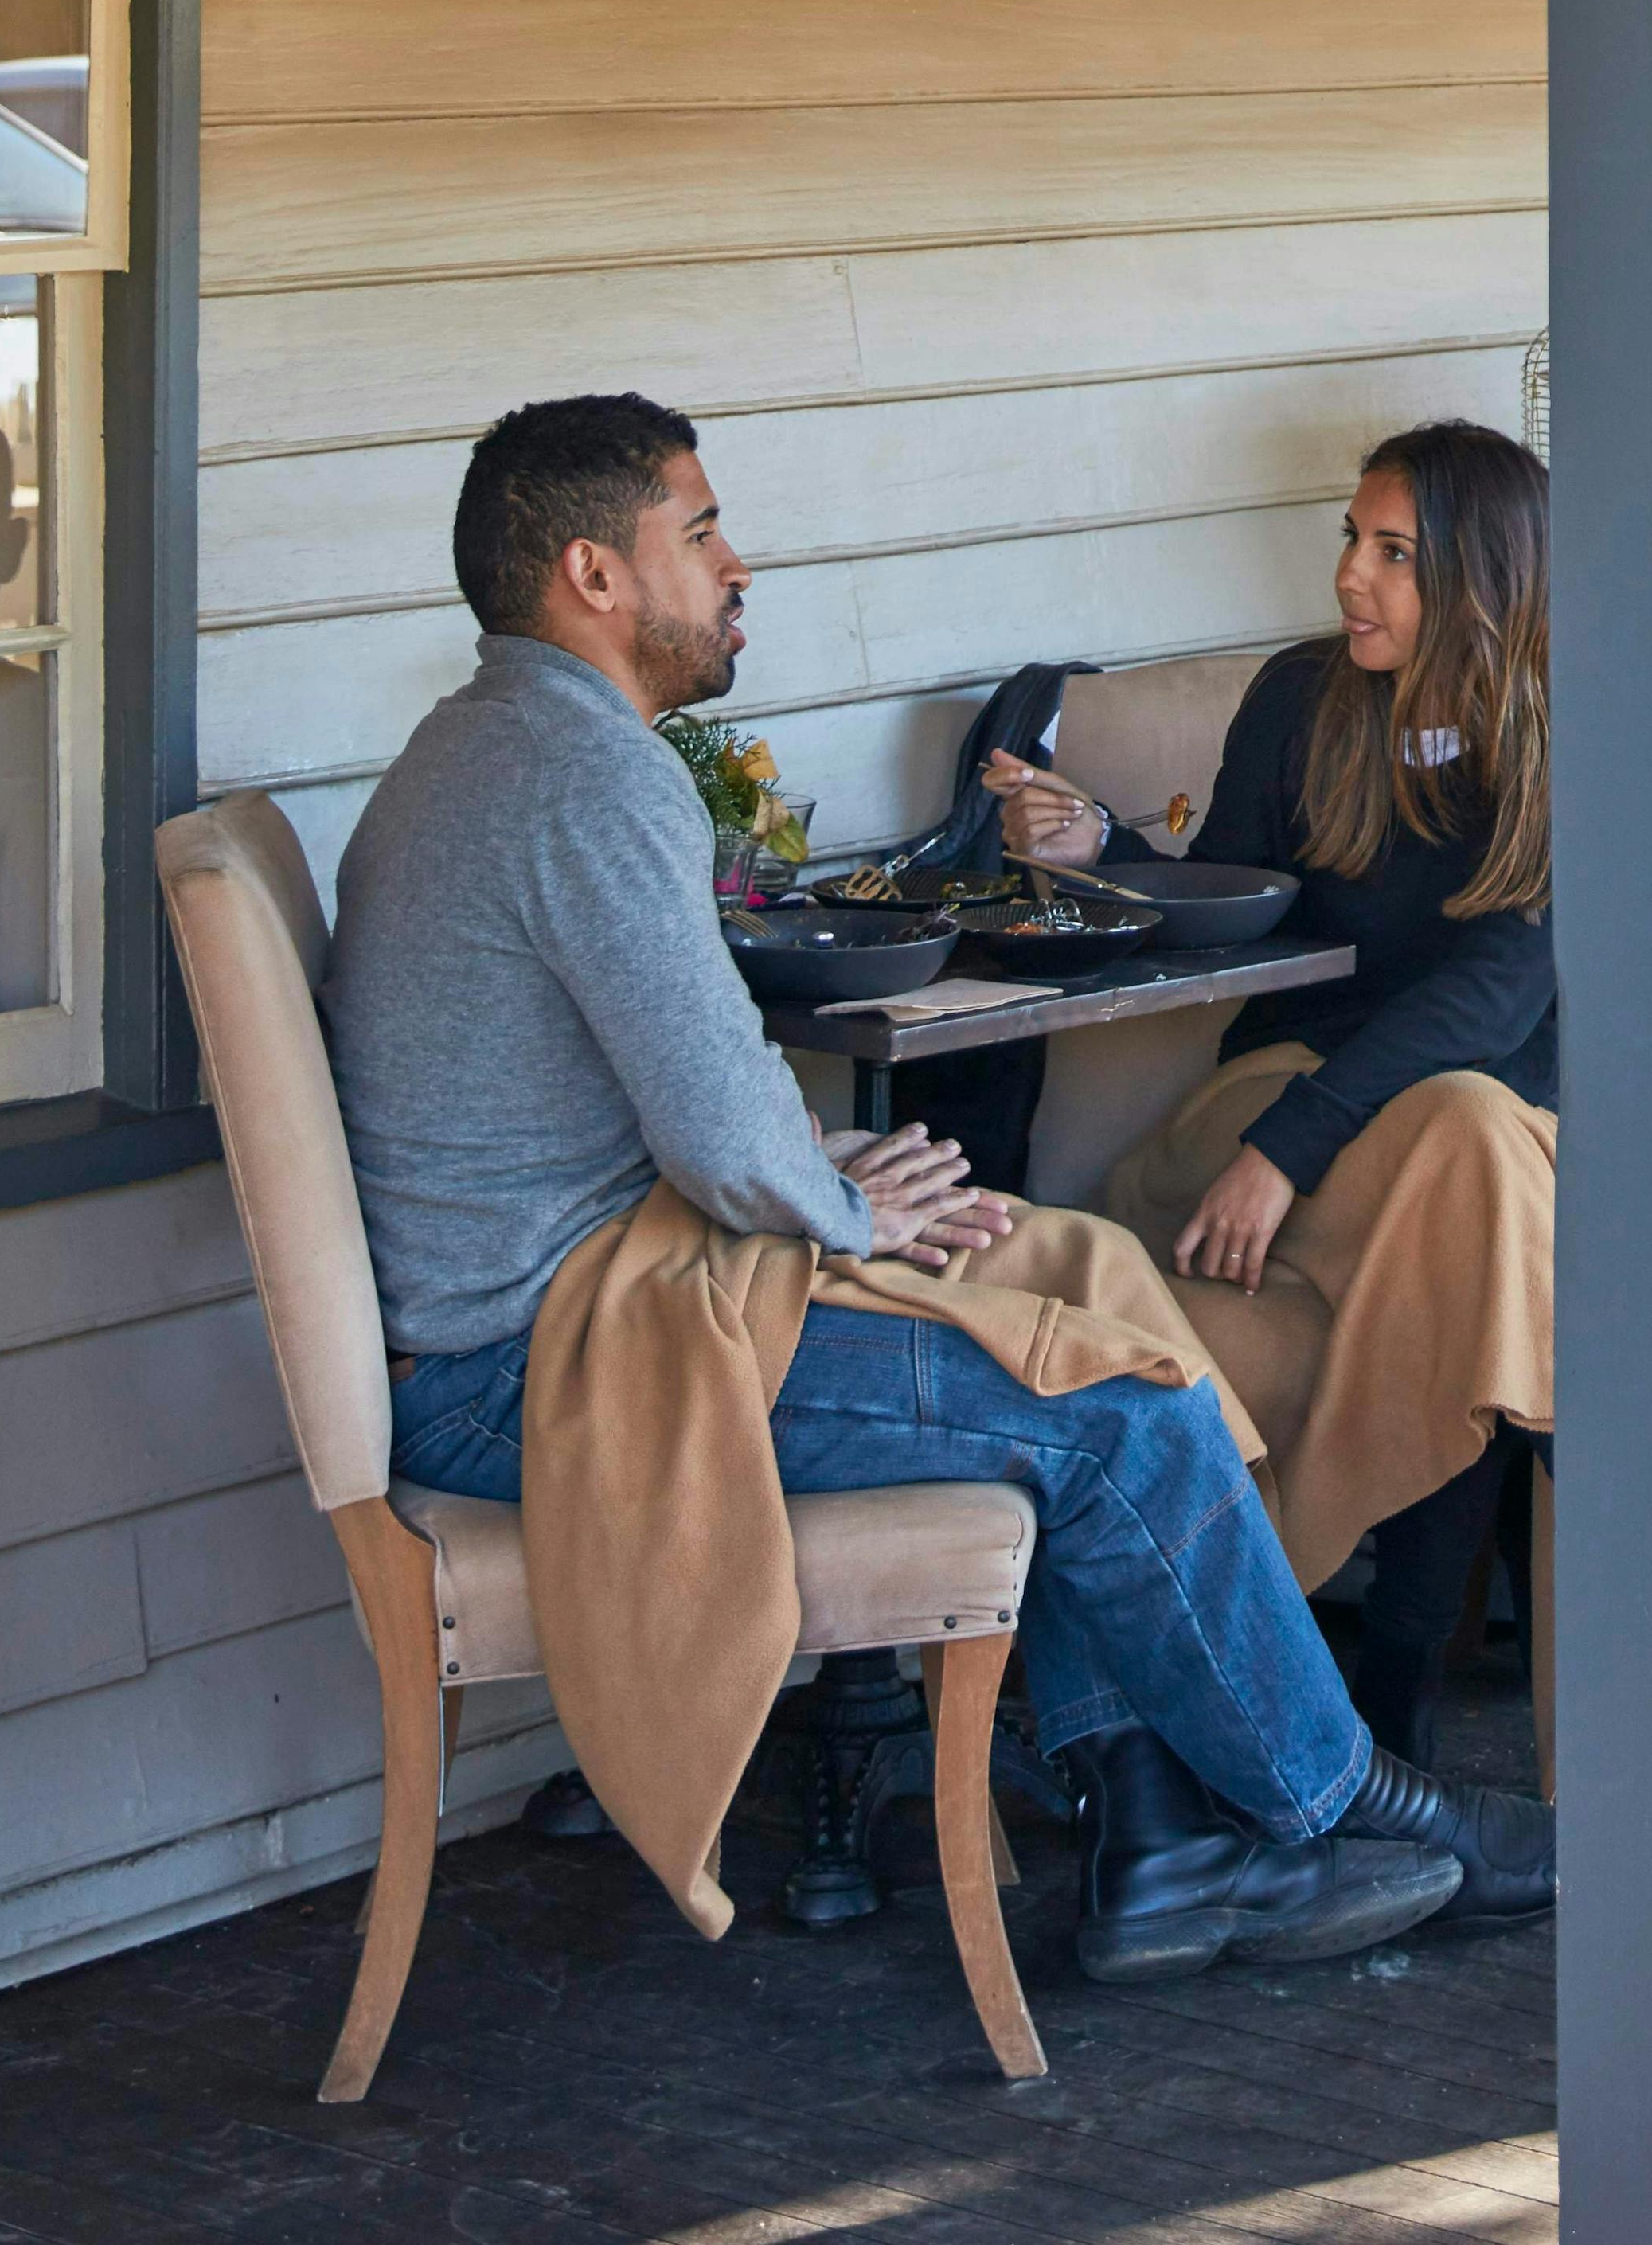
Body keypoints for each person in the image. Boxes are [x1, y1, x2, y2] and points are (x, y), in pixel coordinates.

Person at [326, 389, 1551, 1989]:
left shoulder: (488, 746)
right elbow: (722, 1131)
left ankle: (1162, 1845)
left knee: (1060, 1271)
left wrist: (832, 1173)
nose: (735, 565)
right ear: (594, 575)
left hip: (565, 1304)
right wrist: (842, 1205)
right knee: (1119, 1408)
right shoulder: (583, 776)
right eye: (701, 531)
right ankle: (1351, 1812)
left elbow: (667, 1109)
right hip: (541, 1367)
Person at [988, 416, 1560, 1747]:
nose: (1351, 575)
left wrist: (1293, 1151)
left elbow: (1494, 997)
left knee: (1471, 1149)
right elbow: (1242, 906)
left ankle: (1378, 1716)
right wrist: (1103, 849)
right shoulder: (1304, 697)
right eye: (1353, 541)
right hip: (1275, 1105)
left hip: (1415, 1146)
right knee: (1476, 1169)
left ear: (1483, 575)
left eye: (1395, 553)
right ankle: (1389, 1728)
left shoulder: (1567, 728)